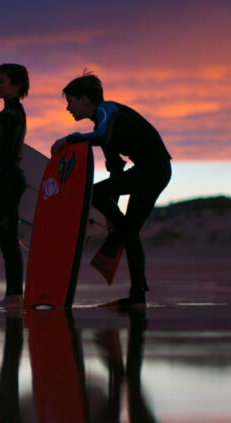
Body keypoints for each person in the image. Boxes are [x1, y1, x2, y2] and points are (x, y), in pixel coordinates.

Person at [51, 73, 171, 311]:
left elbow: (102, 136)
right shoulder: (101, 123)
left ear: (85, 99)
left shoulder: (107, 110)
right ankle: (137, 297)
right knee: (129, 231)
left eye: (71, 101)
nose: (68, 108)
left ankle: (115, 239)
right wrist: (110, 212)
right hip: (154, 172)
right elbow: (116, 168)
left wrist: (70, 139)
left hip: (152, 170)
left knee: (92, 193)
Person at [0, 63, 29, 309]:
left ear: (16, 85)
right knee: (8, 240)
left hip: (8, 181)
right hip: (11, 180)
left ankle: (14, 296)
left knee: (8, 241)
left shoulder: (9, 116)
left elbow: (5, 154)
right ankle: (13, 294)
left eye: (1, 80)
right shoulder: (16, 113)